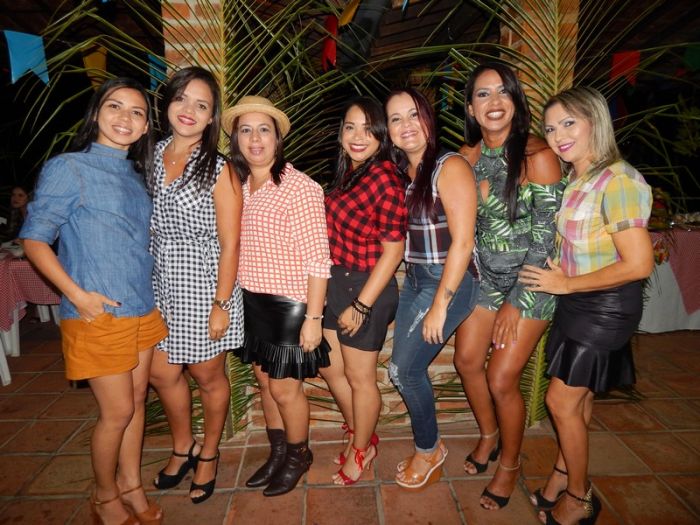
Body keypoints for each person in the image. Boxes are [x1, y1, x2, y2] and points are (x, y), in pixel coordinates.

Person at [20, 77, 165, 525]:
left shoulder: (135, 175)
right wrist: (77, 295)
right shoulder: (70, 167)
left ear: (146, 127)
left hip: (142, 306)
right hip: (97, 311)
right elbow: (34, 239)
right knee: (117, 412)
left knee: (137, 401)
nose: (125, 118)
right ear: (97, 113)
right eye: (115, 107)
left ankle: (131, 485)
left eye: (137, 112)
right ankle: (104, 495)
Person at [519, 86, 654, 525]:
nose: (558, 136)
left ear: (595, 121)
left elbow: (638, 263)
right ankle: (562, 475)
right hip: (577, 298)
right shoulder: (580, 177)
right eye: (550, 128)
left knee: (560, 402)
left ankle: (579, 498)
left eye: (568, 123)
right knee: (579, 400)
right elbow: (591, 241)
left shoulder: (619, 180)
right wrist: (565, 269)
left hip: (604, 305)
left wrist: (567, 282)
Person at [454, 62, 564, 510]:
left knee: (500, 379)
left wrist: (516, 303)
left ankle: (510, 464)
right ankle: (489, 435)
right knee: (466, 361)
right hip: (487, 279)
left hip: (532, 282)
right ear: (470, 108)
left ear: (516, 101)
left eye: (503, 92)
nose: (494, 102)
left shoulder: (538, 156)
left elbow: (546, 237)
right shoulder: (467, 157)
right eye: (483, 94)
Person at [223, 95, 331, 496]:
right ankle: (278, 451)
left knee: (285, 388)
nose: (255, 139)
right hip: (252, 302)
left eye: (264, 130)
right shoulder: (238, 186)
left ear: (277, 139)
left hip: (289, 305)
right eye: (246, 130)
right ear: (236, 139)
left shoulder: (299, 187)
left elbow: (319, 258)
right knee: (264, 381)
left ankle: (299, 456)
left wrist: (313, 319)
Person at [148, 66, 244, 505]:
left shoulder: (219, 169)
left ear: (211, 118)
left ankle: (209, 452)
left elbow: (230, 243)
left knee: (207, 375)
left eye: (201, 105)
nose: (189, 110)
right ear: (167, 103)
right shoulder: (150, 155)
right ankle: (183, 444)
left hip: (202, 284)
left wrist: (221, 303)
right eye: (182, 98)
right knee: (161, 372)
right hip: (157, 280)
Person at [386, 88, 479, 489]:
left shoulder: (449, 166)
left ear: (428, 118)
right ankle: (430, 445)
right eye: (395, 119)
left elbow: (463, 242)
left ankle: (430, 449)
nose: (405, 125)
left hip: (450, 281)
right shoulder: (402, 172)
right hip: (416, 278)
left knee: (405, 370)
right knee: (401, 369)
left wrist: (441, 304)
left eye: (413, 115)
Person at [321, 97, 407, 485]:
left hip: (366, 285)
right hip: (338, 279)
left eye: (369, 129)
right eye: (350, 127)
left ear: (382, 136)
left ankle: (361, 449)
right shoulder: (351, 172)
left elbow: (394, 250)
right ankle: (360, 428)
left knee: (360, 378)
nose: (358, 136)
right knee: (329, 366)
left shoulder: (384, 177)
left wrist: (361, 304)